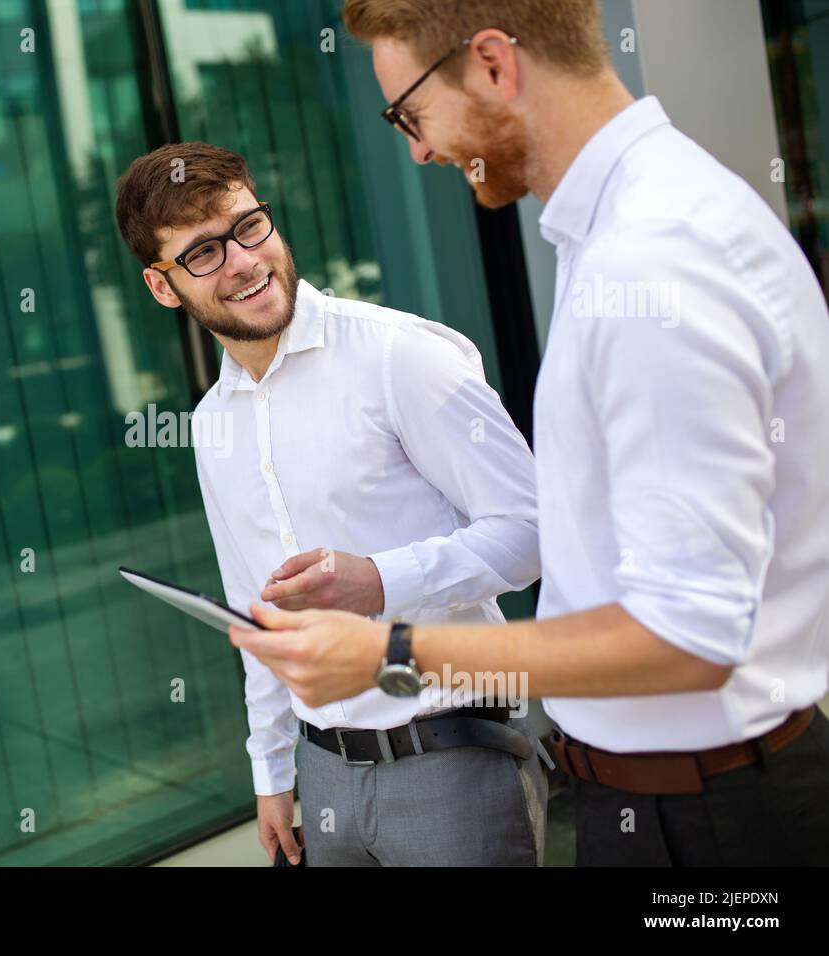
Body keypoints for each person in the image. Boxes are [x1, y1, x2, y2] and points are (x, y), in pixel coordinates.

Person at [230, 0, 829, 865]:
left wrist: (391, 653)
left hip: (712, 820)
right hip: (673, 798)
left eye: (411, 113)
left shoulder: (648, 262)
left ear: (493, 65)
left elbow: (692, 637)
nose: (419, 150)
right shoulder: (631, 229)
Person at [115, 142, 546, 865]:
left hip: (451, 754)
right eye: (203, 253)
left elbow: (534, 533)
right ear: (163, 287)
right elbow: (256, 616)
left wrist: (378, 580)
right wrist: (270, 770)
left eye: (249, 226)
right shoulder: (212, 422)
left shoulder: (398, 355)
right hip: (322, 779)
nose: (245, 261)